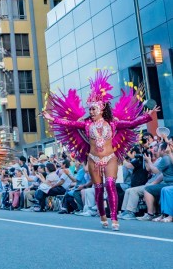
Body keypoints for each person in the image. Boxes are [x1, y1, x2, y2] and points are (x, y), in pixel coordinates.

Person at [43, 70, 157, 230]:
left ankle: (115, 218)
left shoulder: (113, 123)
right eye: (89, 110)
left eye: (94, 109)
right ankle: (103, 216)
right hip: (93, 160)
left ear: (102, 108)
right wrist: (52, 119)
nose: (91, 112)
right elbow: (68, 123)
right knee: (97, 190)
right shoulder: (86, 124)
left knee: (110, 186)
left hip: (110, 158)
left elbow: (131, 123)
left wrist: (147, 116)